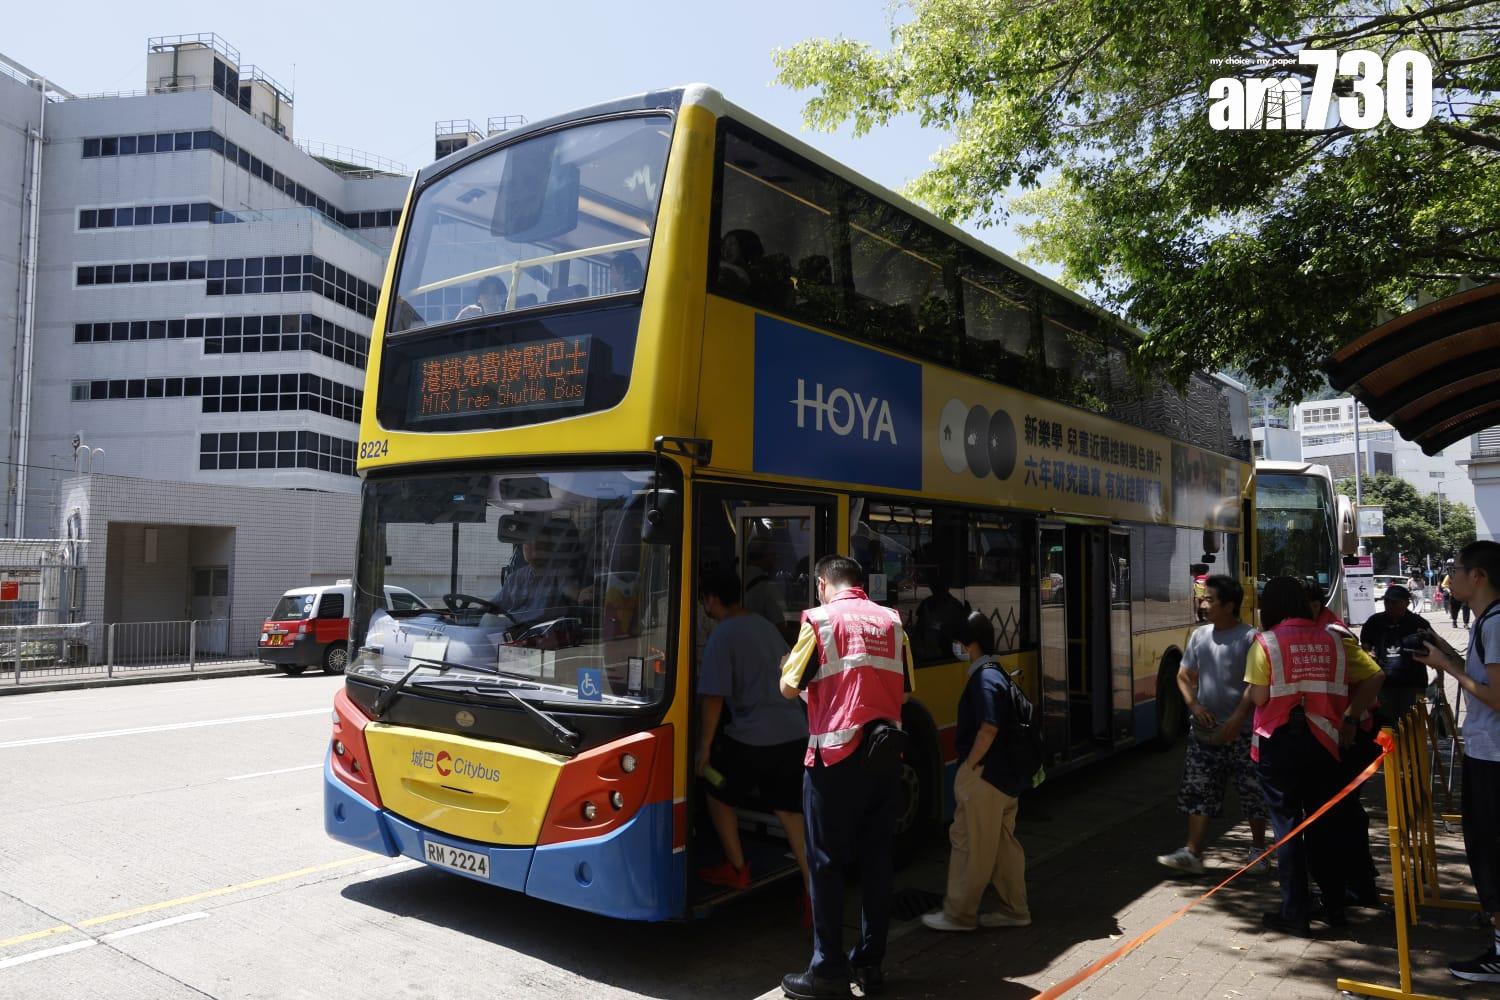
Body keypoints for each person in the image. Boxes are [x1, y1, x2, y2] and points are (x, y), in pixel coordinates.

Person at [778, 555, 913, 1000]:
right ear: (859, 582)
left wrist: (789, 670)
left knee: (826, 865)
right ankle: (870, 965)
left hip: (833, 764)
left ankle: (828, 971)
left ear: (822, 584)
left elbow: (789, 685)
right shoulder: (893, 622)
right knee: (877, 863)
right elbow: (905, 692)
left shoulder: (818, 621)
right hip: (884, 760)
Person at [1248, 576, 1384, 936]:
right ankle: (1335, 907)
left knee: (1288, 828)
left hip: (1279, 746)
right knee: (1325, 824)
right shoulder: (1335, 639)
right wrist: (1351, 716)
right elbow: (1375, 675)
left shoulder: (1266, 642)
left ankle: (1295, 913)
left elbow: (1259, 698)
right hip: (1326, 742)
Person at [694, 571, 811, 908]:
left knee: (716, 790)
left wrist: (704, 749)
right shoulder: (765, 626)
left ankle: (737, 867)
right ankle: (814, 896)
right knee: (790, 812)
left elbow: (713, 697)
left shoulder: (722, 635)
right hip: (795, 732)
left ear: (711, 600)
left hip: (753, 738)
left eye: (704, 601)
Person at [1415, 540, 1500, 983]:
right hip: (1487, 751)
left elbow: (1497, 696)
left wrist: (1449, 669)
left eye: (1457, 568)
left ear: (1479, 576)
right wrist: (1444, 654)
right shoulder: (1489, 620)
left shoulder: (1495, 623)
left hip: (1494, 756)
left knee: (1489, 851)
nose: (1451, 577)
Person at [920, 611, 1031, 932]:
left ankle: (959, 913)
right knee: (1002, 845)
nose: (956, 648)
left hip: (986, 776)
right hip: (1006, 778)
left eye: (959, 642)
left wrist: (969, 766)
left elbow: (989, 727)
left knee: (970, 844)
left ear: (969, 644)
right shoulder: (999, 673)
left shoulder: (983, 678)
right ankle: (1015, 909)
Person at [1155, 575, 1270, 876]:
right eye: (1203, 599)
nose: (1203, 604)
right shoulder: (1199, 636)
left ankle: (1259, 850)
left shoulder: (1251, 638)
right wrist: (1194, 706)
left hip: (1243, 734)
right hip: (1205, 733)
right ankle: (1193, 852)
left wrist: (1237, 718)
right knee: (1198, 790)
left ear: (1229, 605)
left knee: (1252, 792)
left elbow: (1255, 683)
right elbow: (1183, 675)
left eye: (1210, 599)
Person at [1359, 584, 1435, 724]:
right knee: (1385, 726)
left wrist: (1440, 678)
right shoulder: (1374, 622)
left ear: (1406, 603)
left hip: (1412, 684)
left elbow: (1434, 650)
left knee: (1411, 726)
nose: (1390, 605)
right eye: (1387, 601)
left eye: (1394, 602)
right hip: (1383, 685)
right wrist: (1368, 654)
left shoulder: (1419, 623)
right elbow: (1365, 646)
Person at [742, 539, 789, 634]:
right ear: (765, 556)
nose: (775, 559)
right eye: (773, 554)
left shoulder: (739, 578)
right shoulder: (768, 587)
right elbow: (780, 626)